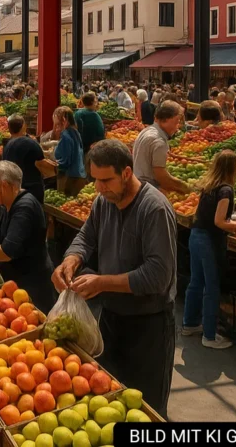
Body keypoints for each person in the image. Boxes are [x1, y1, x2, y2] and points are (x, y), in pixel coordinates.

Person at [51, 139, 177, 417]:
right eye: (95, 180)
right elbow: (87, 236)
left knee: (147, 407)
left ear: (127, 173)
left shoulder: (154, 209)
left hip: (148, 327)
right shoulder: (103, 202)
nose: (99, 187)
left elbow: (158, 275)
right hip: (111, 319)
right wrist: (71, 259)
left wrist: (102, 282)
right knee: (110, 397)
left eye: (106, 180)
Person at [182, 151, 236, 349]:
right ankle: (210, 336)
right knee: (211, 287)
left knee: (196, 282)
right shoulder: (226, 190)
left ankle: (189, 324)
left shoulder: (209, 186)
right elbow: (219, 222)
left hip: (195, 235)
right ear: (233, 168)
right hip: (209, 242)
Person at [0, 161, 56, 313]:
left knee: (36, 319)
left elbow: (7, 252)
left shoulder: (24, 208)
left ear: (4, 185)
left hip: (31, 283)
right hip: (18, 279)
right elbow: (12, 226)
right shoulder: (13, 200)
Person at [132, 101, 190, 193]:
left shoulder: (146, 131)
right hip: (148, 191)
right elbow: (161, 177)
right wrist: (184, 188)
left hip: (139, 185)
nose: (178, 127)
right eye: (177, 121)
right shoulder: (159, 142)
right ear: (165, 120)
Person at [2, 114, 46, 204]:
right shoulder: (29, 143)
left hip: (13, 188)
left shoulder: (7, 145)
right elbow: (41, 162)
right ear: (23, 126)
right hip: (30, 188)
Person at [43, 106, 87, 196]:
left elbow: (64, 160)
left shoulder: (66, 135)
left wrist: (51, 159)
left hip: (69, 177)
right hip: (79, 174)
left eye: (58, 123)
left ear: (64, 120)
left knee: (66, 199)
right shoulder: (75, 131)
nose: (56, 126)